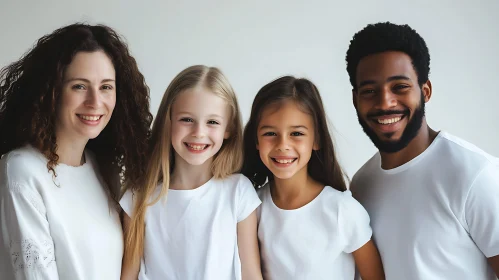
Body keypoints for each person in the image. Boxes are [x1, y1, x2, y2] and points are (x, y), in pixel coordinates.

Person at [346, 21, 499, 279]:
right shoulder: (361, 185)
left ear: (425, 91)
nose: (385, 102)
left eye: (400, 87)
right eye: (370, 91)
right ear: (355, 99)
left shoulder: (476, 175)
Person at [0, 23, 152, 279]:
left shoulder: (104, 170)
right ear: (51, 92)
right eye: (79, 86)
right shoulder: (22, 171)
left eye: (106, 87)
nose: (95, 102)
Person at [120, 65, 262, 280]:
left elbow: (251, 274)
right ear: (168, 121)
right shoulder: (139, 196)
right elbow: (128, 275)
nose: (199, 133)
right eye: (187, 119)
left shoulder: (238, 192)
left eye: (212, 122)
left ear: (228, 129)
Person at [242, 76, 385, 280]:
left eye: (297, 134)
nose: (283, 145)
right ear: (256, 140)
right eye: (270, 133)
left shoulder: (342, 210)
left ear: (316, 139)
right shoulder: (252, 207)